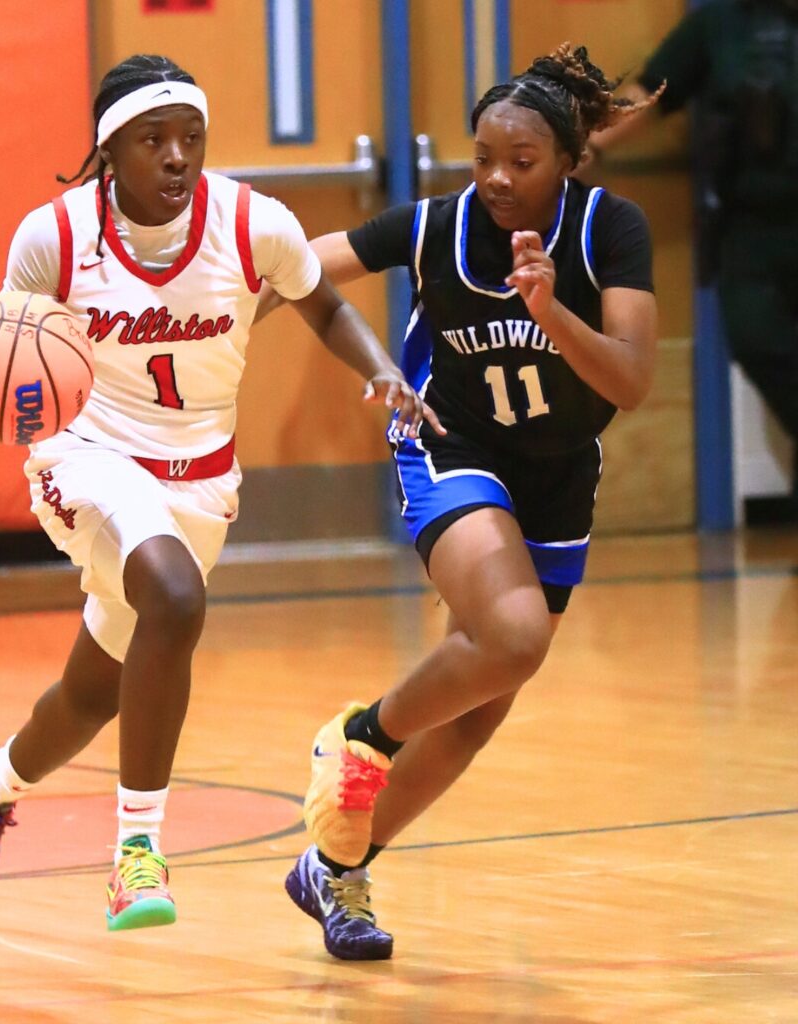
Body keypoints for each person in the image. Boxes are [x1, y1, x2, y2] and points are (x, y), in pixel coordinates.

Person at [0, 53, 439, 932]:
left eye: (191, 140)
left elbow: (321, 304)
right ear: (108, 153)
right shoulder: (53, 236)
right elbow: (11, 348)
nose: (177, 157)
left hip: (199, 479)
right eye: (153, 141)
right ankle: (137, 855)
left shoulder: (253, 224)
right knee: (174, 594)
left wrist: (383, 366)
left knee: (95, 693)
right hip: (84, 455)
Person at [263, 44, 660, 960]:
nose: (496, 178)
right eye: (483, 157)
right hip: (451, 446)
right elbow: (294, 269)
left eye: (521, 163)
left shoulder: (613, 230)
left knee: (481, 705)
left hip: (557, 474)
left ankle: (335, 865)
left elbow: (634, 382)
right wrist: (195, 310)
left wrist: (554, 312)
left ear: (568, 161)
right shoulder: (436, 225)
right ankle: (359, 737)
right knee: (514, 637)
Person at [586, 0, 798, 514]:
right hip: (749, 223)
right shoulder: (719, 23)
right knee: (754, 338)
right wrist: (583, 146)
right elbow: (651, 92)